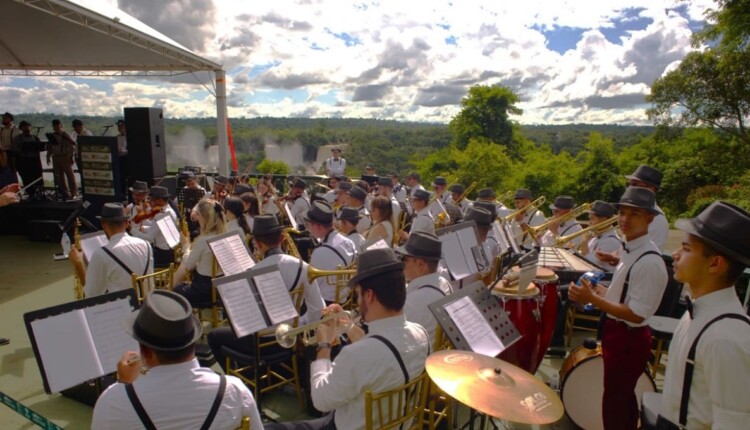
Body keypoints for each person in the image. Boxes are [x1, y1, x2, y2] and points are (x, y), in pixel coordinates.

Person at [265, 248, 430, 430]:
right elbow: (380, 350)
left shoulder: (355, 355)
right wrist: (348, 327)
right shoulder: (422, 335)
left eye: (358, 294)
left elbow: (320, 400)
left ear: (369, 296)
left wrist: (324, 345)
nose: (357, 301)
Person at [569, 187, 668, 430]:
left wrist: (595, 300)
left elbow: (636, 313)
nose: (625, 219)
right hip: (618, 332)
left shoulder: (649, 262)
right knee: (617, 398)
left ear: (649, 218)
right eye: (622, 212)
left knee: (616, 401)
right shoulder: (630, 248)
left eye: (634, 214)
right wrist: (593, 293)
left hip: (628, 336)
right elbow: (621, 293)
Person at [91, 290, 263, 430]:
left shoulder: (112, 403)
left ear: (144, 351)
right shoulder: (235, 391)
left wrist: (123, 384)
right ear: (193, 341)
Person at [653, 201, 750, 429]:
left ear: (715, 264)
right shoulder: (698, 312)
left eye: (686, 249)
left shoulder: (726, 338)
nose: (675, 254)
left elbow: (733, 422)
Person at [208, 214, 326, 372]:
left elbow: (243, 323)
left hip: (259, 345)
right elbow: (318, 309)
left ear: (257, 243)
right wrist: (297, 326)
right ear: (282, 238)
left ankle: (247, 377)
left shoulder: (251, 273)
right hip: (289, 338)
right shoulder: (303, 266)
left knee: (213, 336)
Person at [69, 203, 153, 298]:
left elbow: (91, 295)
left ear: (103, 225)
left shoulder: (101, 254)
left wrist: (79, 263)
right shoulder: (146, 245)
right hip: (147, 304)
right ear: (126, 223)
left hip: (123, 310)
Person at [397, 232, 452, 343]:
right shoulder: (445, 283)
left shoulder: (412, 303)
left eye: (404, 259)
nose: (401, 263)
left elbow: (388, 336)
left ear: (420, 264)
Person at [173, 198, 227, 305]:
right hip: (221, 288)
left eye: (198, 215)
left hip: (204, 290)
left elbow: (188, 265)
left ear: (204, 217)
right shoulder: (224, 235)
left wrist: (186, 246)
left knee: (176, 290)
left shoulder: (204, 240)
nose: (197, 219)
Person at [305, 201, 356, 304]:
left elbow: (310, 286)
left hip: (326, 303)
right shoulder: (349, 242)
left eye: (308, 225)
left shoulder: (320, 253)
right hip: (344, 298)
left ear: (318, 227)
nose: (308, 229)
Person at [131, 186, 179, 268]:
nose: (149, 203)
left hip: (162, 255)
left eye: (151, 200)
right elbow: (161, 230)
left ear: (160, 201)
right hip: (169, 252)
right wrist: (145, 228)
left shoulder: (161, 215)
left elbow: (150, 238)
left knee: (135, 258)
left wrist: (132, 230)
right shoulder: (169, 210)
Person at [625, 165, 669, 252]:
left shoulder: (658, 219)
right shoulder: (633, 210)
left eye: (634, 184)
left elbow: (646, 255)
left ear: (650, 189)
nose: (629, 188)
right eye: (628, 184)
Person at [581, 200, 621, 272]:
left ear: (604, 221)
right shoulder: (595, 238)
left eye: (592, 218)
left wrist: (584, 242)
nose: (589, 222)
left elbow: (588, 264)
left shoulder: (611, 241)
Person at [46, 119, 78, 199]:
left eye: (57, 125)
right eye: (54, 125)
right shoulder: (52, 135)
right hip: (55, 157)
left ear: (61, 125)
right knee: (59, 177)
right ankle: (66, 193)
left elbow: (72, 146)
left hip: (65, 156)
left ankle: (74, 193)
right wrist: (48, 156)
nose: (56, 127)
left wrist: (71, 156)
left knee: (70, 176)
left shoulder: (65, 135)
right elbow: (50, 147)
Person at [11, 120, 44, 196]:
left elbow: (40, 148)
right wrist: (23, 148)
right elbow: (14, 150)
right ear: (21, 129)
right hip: (24, 161)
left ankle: (40, 193)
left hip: (35, 161)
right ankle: (31, 194)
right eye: (24, 127)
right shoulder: (18, 139)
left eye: (27, 126)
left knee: (38, 178)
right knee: (27, 179)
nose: (26, 128)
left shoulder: (35, 138)